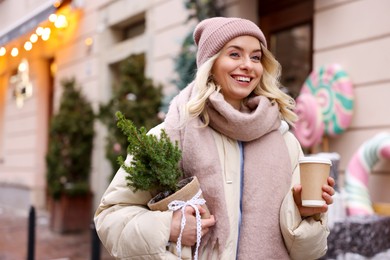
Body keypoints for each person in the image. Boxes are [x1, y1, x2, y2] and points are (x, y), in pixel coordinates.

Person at [94, 17, 335, 260]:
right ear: (211, 63)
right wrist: (169, 227)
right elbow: (110, 218)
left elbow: (309, 253)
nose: (247, 65)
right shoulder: (170, 136)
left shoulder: (286, 143)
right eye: (234, 54)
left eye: (255, 57)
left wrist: (303, 213)